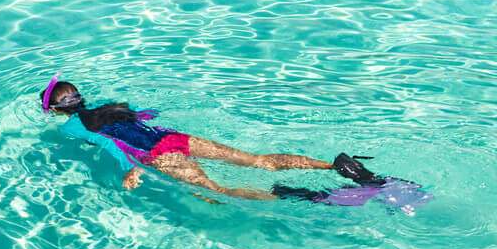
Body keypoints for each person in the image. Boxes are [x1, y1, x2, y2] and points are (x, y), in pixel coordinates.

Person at [39, 76, 388, 202]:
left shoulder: (72, 128)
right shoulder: (114, 106)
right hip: (176, 139)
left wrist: (131, 170)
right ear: (81, 96)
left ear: (56, 110)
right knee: (257, 160)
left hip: (156, 155)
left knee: (216, 190)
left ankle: (306, 196)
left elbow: (113, 144)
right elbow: (147, 116)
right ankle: (337, 166)